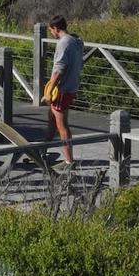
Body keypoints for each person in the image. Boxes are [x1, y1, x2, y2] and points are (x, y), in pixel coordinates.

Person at [41, 15, 84, 166]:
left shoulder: (63, 43)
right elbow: (78, 66)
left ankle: (68, 161)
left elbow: (58, 70)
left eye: (51, 30)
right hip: (70, 88)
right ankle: (42, 153)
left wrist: (48, 92)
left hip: (62, 91)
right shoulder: (76, 42)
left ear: (56, 28)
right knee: (52, 121)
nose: (51, 33)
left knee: (62, 126)